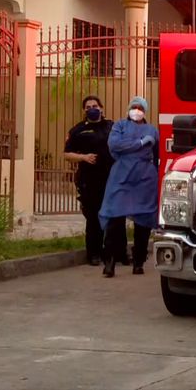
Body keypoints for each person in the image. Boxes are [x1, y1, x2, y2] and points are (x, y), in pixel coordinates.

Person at [99, 96, 160, 278]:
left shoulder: (152, 130)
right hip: (122, 175)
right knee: (114, 218)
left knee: (143, 220)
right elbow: (115, 145)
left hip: (144, 177)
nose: (137, 110)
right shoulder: (119, 126)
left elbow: (156, 154)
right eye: (134, 106)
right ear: (128, 108)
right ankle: (109, 262)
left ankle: (138, 261)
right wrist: (140, 143)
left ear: (145, 110)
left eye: (140, 107)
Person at [64, 95, 115, 266]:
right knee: (93, 218)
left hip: (110, 179)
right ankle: (93, 254)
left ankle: (113, 253)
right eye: (88, 107)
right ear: (84, 111)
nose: (92, 109)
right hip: (89, 180)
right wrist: (83, 157)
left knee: (112, 218)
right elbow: (66, 154)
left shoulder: (112, 127)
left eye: (94, 105)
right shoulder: (78, 130)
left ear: (101, 107)